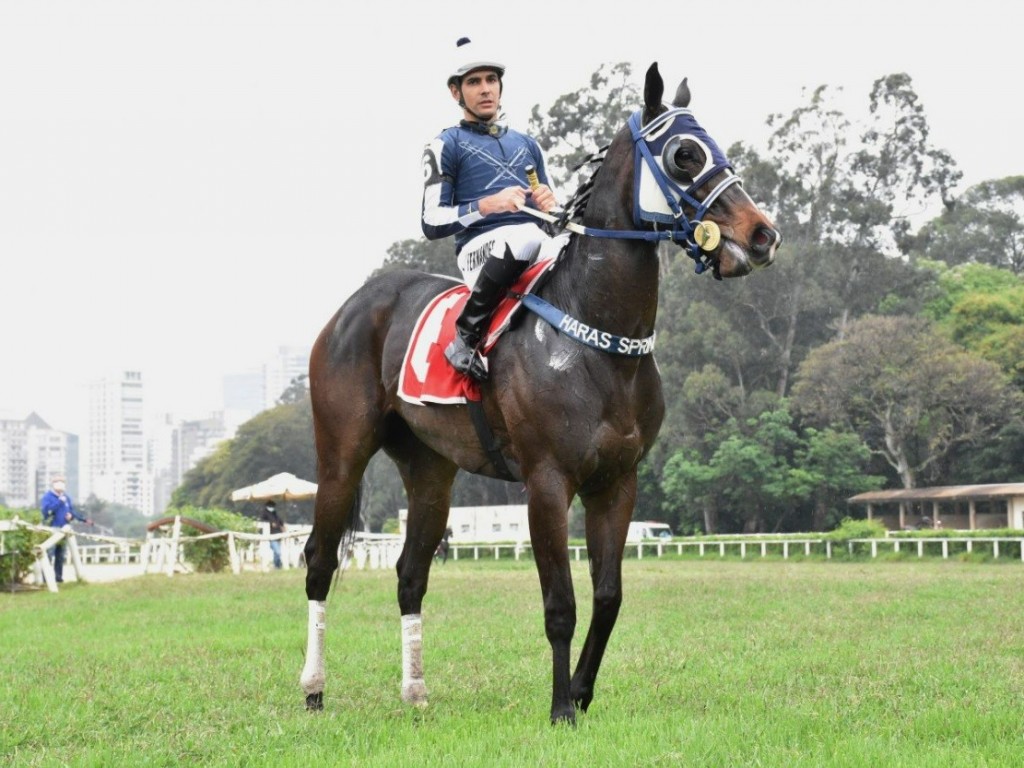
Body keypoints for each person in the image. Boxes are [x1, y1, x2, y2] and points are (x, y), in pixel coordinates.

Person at [421, 36, 561, 381]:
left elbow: (552, 218)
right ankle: (465, 336)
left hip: (532, 243)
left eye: (491, 80)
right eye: (474, 82)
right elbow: (430, 221)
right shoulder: (446, 144)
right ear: (456, 92)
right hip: (477, 250)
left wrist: (552, 206)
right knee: (526, 235)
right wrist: (486, 206)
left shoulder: (527, 144)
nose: (485, 89)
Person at [39, 477, 91, 583]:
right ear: (53, 484)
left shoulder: (66, 497)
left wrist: (77, 518)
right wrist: (58, 502)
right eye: (58, 482)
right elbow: (46, 512)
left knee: (60, 555)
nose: (60, 484)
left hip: (64, 530)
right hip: (51, 529)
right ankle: (46, 578)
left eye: (62, 482)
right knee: (48, 554)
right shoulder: (47, 497)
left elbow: (71, 511)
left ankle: (58, 578)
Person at [262, 500, 286, 569]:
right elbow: (263, 522)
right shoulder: (265, 514)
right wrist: (271, 523)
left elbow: (281, 523)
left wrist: (283, 528)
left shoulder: (275, 514)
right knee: (278, 552)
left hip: (279, 536)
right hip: (271, 536)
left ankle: (277, 566)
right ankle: (277, 565)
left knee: (276, 553)